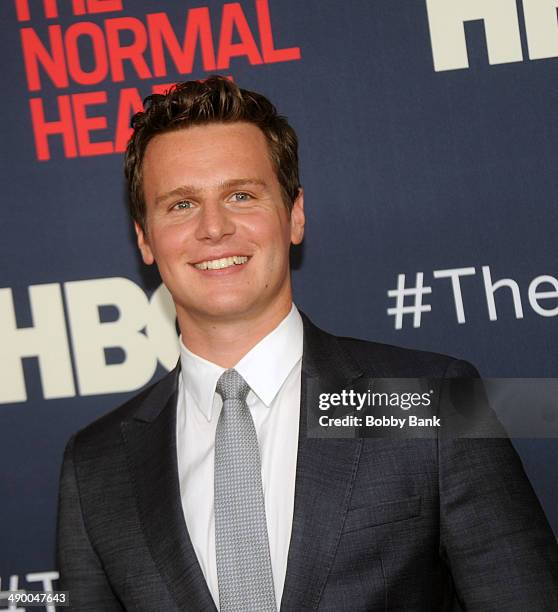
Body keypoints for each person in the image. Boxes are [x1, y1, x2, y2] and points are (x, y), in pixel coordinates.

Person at [56, 76, 558, 611]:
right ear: (144, 238)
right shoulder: (98, 466)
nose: (214, 228)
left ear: (294, 214)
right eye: (181, 205)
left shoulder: (427, 401)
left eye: (241, 195)